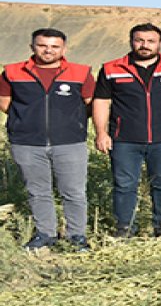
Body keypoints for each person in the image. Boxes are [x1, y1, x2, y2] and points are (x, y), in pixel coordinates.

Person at [92, 23, 161, 238]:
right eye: (139, 40)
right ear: (131, 41)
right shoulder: (112, 69)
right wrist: (101, 133)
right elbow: (101, 101)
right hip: (124, 139)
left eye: (151, 41)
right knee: (124, 184)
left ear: (159, 43)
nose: (145, 45)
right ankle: (125, 227)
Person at [0, 29, 95, 251]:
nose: (48, 50)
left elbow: (90, 104)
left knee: (74, 192)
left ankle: (76, 236)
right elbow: (5, 102)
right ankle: (45, 234)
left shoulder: (81, 72)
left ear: (64, 48)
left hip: (70, 142)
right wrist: (26, 120)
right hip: (26, 142)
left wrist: (71, 123)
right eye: (42, 45)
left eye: (54, 46)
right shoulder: (12, 72)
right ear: (32, 47)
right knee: (38, 191)